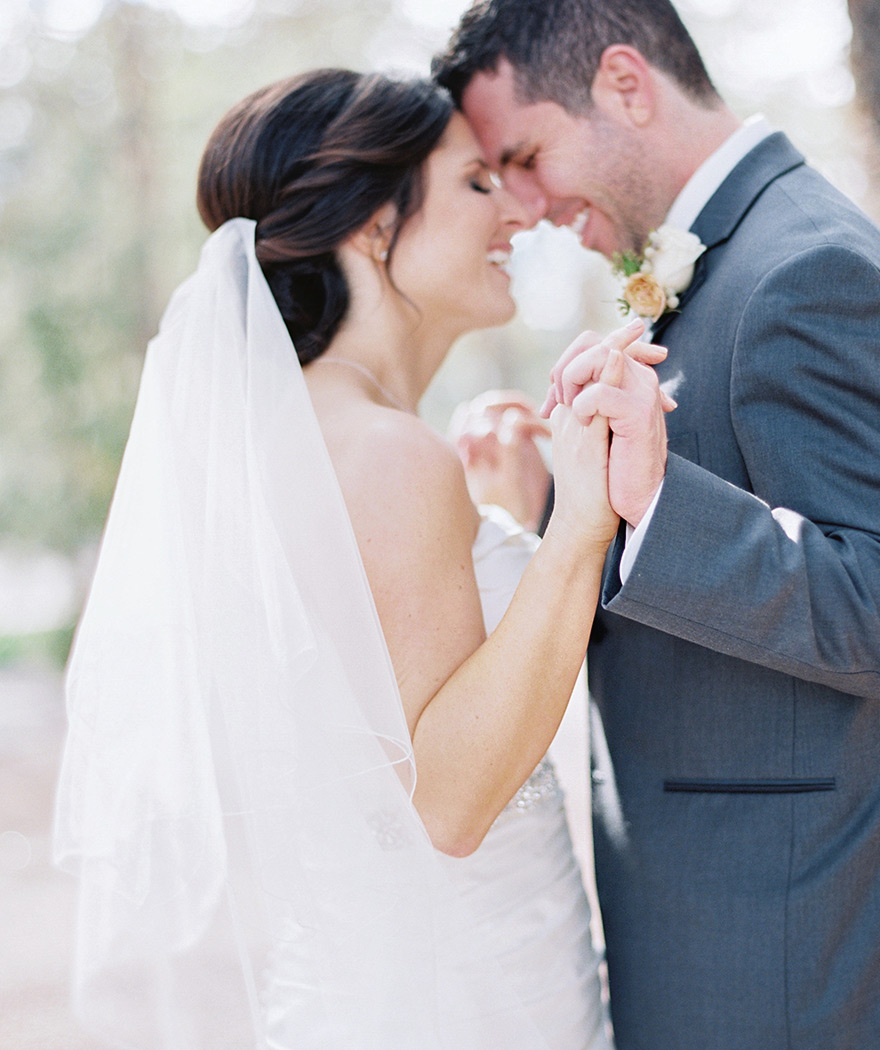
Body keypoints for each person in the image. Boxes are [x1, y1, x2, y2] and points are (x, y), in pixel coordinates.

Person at [53, 68, 670, 1050]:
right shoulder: (385, 454)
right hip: (464, 1002)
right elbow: (449, 805)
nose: (514, 210)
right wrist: (580, 522)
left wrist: (500, 523)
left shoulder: (310, 435)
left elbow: (387, 706)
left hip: (410, 977)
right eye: (475, 184)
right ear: (374, 227)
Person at [433, 2, 880, 1048]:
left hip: (778, 956)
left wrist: (658, 503)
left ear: (626, 85)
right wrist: (561, 505)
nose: (527, 207)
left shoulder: (804, 265)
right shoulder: (721, 260)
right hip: (706, 927)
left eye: (528, 156)